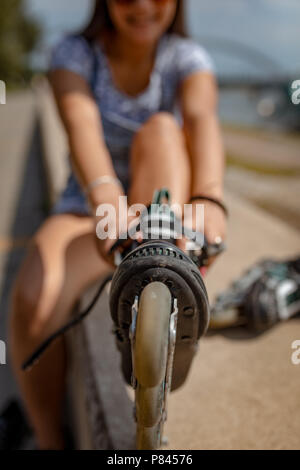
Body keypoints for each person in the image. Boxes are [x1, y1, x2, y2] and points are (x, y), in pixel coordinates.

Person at [9, 0, 226, 450]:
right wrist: (108, 201)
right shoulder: (73, 54)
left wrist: (209, 197)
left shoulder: (186, 59)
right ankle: (50, 437)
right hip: (91, 206)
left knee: (165, 127)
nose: (143, 6)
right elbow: (80, 124)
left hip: (158, 205)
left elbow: (203, 119)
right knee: (33, 298)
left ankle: (162, 263)